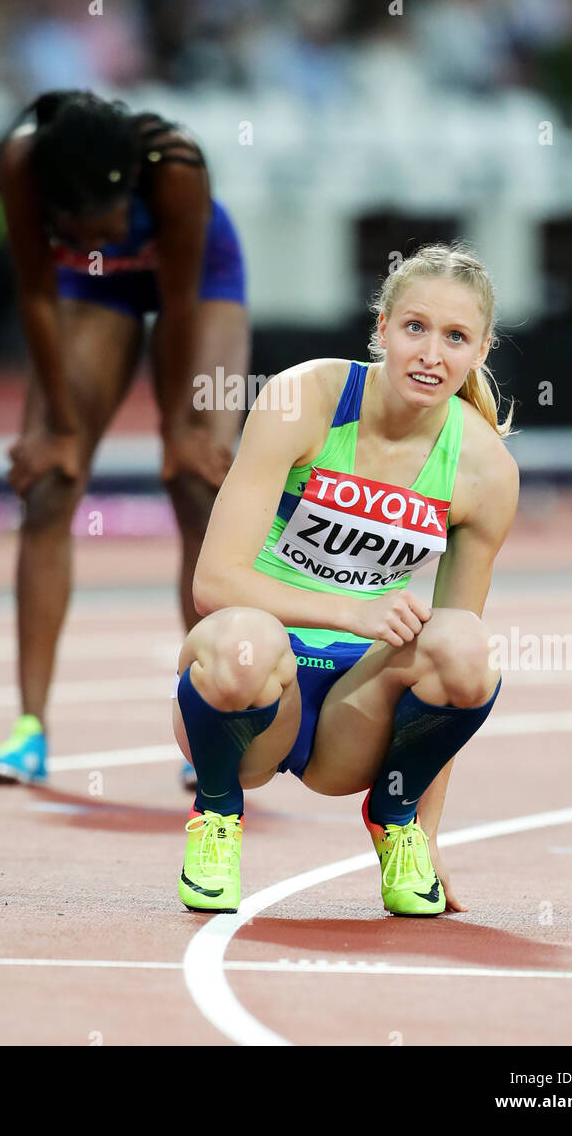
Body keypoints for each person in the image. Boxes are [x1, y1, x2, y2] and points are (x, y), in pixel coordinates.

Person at [172, 243, 519, 916]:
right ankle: (216, 817)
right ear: (381, 328)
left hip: (353, 717)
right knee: (243, 642)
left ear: (481, 350)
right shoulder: (306, 398)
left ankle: (396, 826)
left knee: (469, 649)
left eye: (454, 337)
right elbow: (215, 583)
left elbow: (454, 662)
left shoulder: (485, 469)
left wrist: (430, 833)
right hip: (256, 694)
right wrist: (348, 611)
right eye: (415, 328)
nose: (430, 354)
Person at [0, 89, 249, 786]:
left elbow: (181, 304)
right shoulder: (21, 165)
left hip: (199, 280)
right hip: (92, 293)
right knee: (47, 487)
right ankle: (29, 728)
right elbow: (37, 295)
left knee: (198, 486)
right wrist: (62, 431)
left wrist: (181, 430)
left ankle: (211, 720)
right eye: (83, 229)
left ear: (131, 186)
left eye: (112, 222)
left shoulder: (177, 164)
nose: (101, 236)